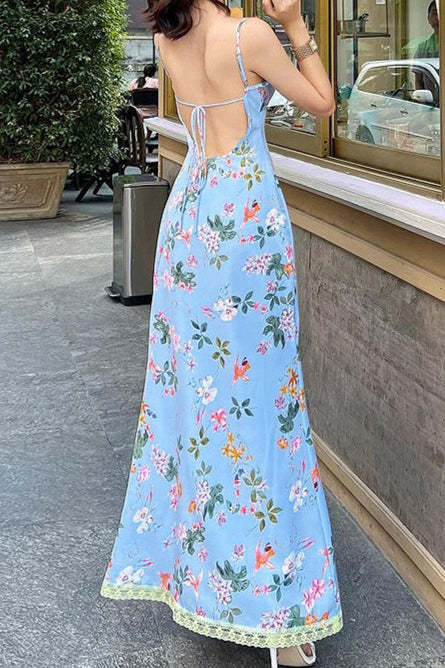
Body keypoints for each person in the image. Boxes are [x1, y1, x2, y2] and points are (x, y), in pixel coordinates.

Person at [101, 1, 342, 666]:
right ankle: (280, 617)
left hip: (189, 220)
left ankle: (201, 578)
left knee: (195, 407)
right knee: (265, 407)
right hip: (242, 223)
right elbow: (323, 103)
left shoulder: (168, 35)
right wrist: (296, 26)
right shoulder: (250, 35)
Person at [414, 1, 439, 94]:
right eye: (435, 13)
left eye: (441, 13)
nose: (438, 18)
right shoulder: (422, 48)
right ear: (428, 18)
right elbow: (418, 81)